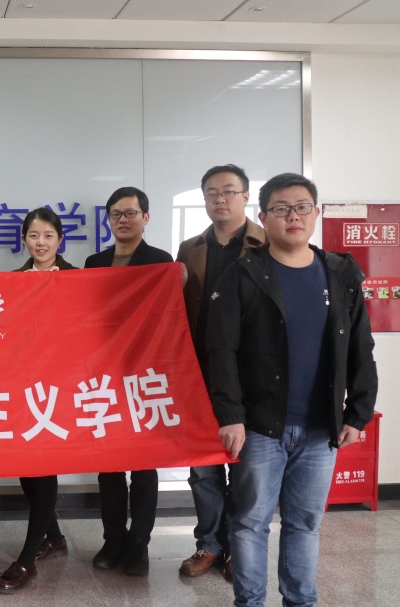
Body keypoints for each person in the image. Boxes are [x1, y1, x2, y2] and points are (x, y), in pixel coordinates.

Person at [206, 172, 377, 607]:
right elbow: (221, 350)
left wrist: (358, 412)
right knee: (250, 523)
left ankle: (300, 601)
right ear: (263, 217)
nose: (293, 216)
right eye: (281, 209)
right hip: (260, 427)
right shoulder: (242, 274)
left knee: (305, 524)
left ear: (316, 213)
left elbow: (360, 346)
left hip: (322, 429)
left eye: (302, 207)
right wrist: (231, 415)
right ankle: (249, 602)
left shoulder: (341, 273)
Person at [176, 164, 265, 581]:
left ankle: (239, 549)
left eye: (229, 191)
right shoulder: (190, 248)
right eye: (212, 193)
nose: (220, 199)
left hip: (254, 376)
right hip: (201, 374)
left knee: (247, 470)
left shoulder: (268, 243)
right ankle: (210, 544)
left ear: (246, 196)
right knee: (203, 470)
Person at [84, 186, 173, 576]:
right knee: (109, 466)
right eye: (116, 214)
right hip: (104, 375)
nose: (123, 219)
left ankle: (139, 543)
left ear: (146, 217)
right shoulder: (94, 262)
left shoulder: (160, 261)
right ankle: (113, 539)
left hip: (144, 373)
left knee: (144, 466)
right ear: (108, 219)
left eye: (131, 213)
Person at [0, 207, 71, 594]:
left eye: (48, 236)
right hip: (23, 385)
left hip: (60, 386)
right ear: (24, 239)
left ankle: (26, 559)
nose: (41, 243)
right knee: (26, 465)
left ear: (60, 240)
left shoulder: (78, 279)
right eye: (34, 236)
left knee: (45, 466)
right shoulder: (13, 281)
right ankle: (53, 537)